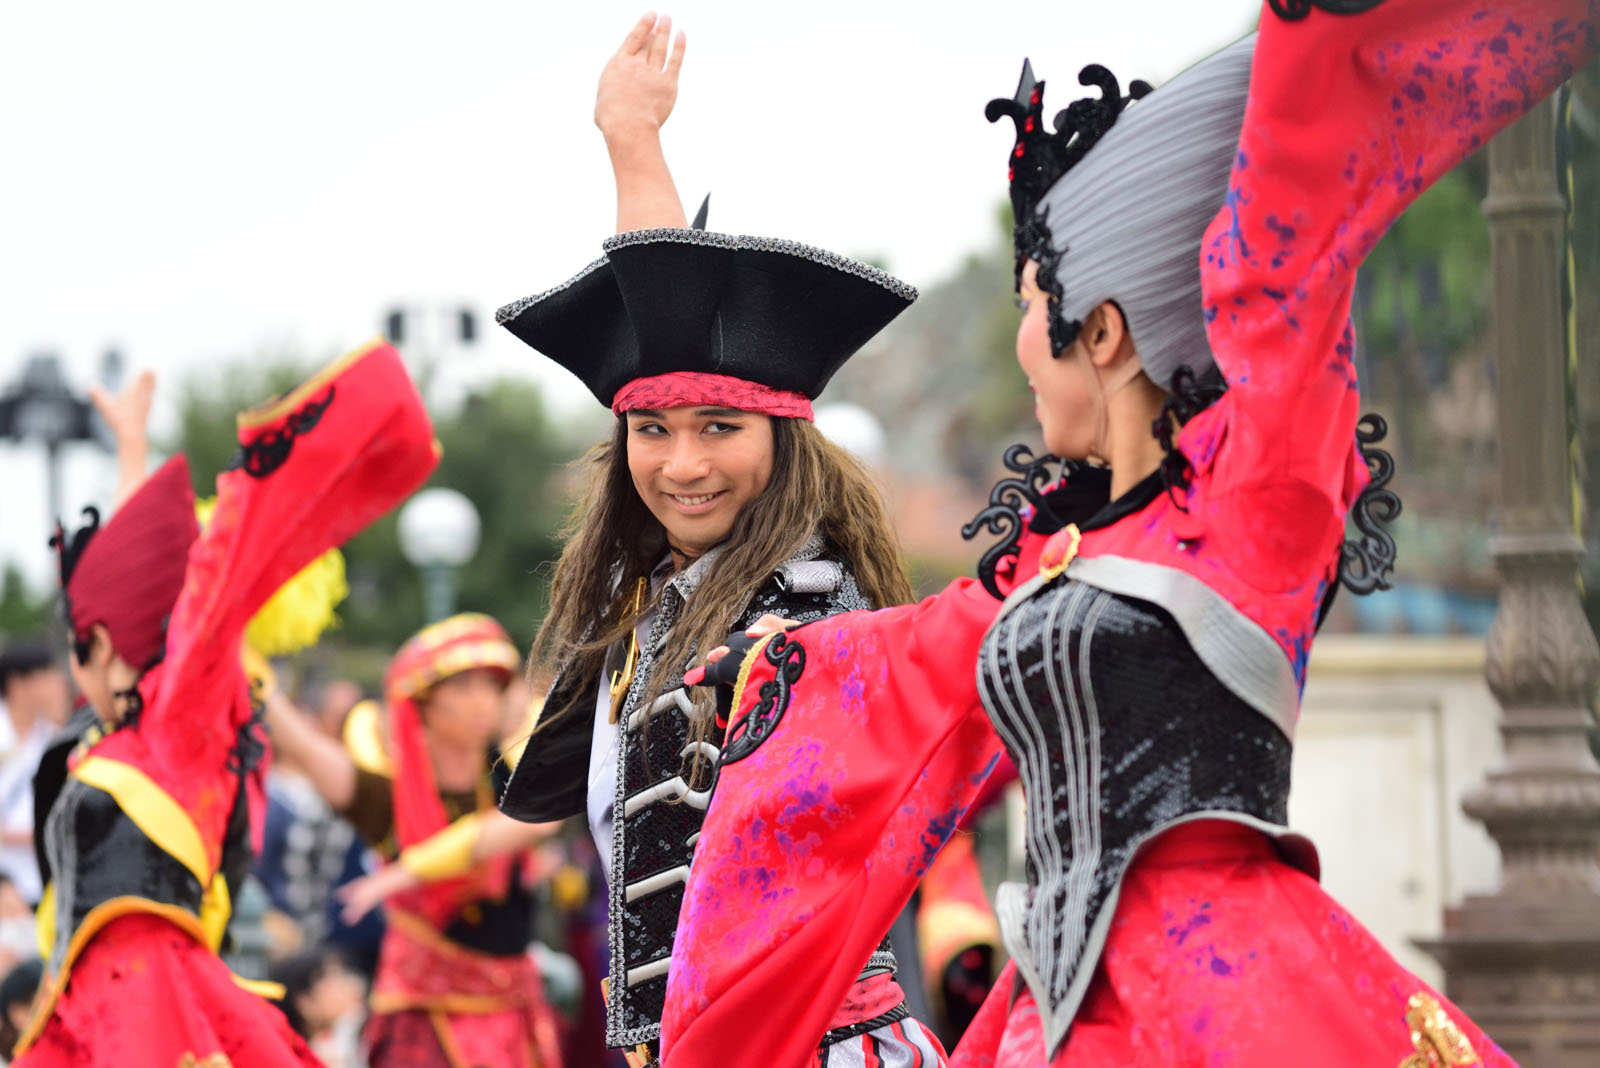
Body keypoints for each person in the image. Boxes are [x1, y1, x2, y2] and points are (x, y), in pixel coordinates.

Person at [675, 3, 1600, 1066]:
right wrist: (777, 663)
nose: (1023, 345)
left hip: (1230, 1004)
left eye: (1032, 305)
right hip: (1056, 1009)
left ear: (1101, 330)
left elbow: (1281, 251)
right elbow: (927, 659)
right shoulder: (1063, 555)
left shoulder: (1253, 496)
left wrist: (1305, 37)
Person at [495, 14, 948, 1066]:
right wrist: (630, 146)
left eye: (719, 429)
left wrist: (633, 150)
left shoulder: (811, 614)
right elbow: (674, 313)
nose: (681, 463)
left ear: (784, 442)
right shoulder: (660, 599)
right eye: (650, 430)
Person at [15, 339, 438, 1066]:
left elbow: (198, 594)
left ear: (101, 646)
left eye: (81, 645)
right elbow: (139, 579)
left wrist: (252, 488)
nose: (73, 666)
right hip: (87, 1009)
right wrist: (131, 451)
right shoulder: (108, 739)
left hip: (156, 1016)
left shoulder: (177, 718)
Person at [262, 612, 565, 1068]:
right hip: (425, 1013)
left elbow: (539, 822)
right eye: (462, 687)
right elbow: (307, 750)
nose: (482, 701)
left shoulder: (510, 774)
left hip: (512, 1007)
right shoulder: (390, 793)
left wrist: (406, 871)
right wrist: (256, 681)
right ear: (423, 702)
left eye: (490, 685)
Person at [0, 642, 68, 904]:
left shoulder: (52, 738)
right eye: (45, 675)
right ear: (18, 683)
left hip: (40, 893)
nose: (56, 682)